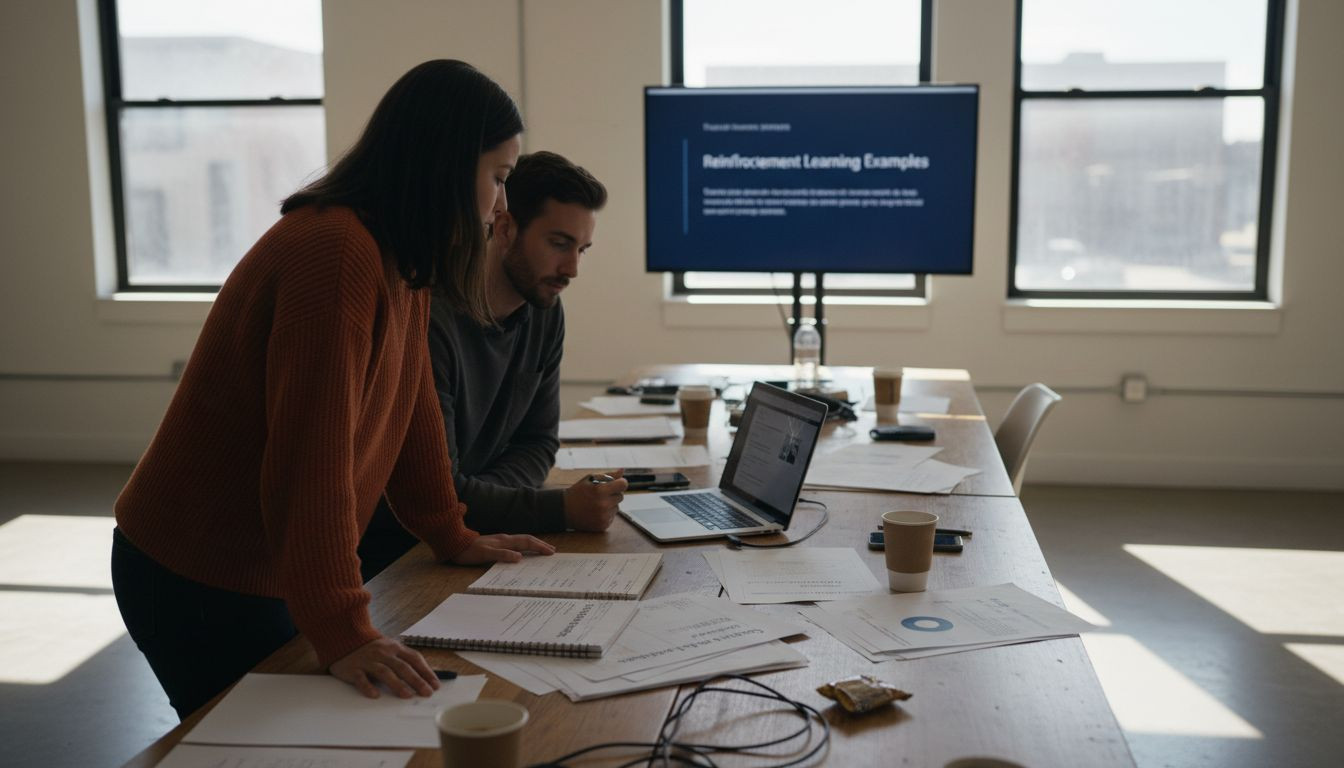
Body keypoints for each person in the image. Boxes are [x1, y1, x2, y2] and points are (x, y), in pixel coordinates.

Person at [110, 59, 554, 721]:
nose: (500, 204)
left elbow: (412, 410)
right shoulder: (335, 251)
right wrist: (342, 629)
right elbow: (308, 461)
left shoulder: (402, 253)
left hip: (261, 563)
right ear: (445, 163)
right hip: (196, 569)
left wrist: (448, 532)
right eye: (498, 176)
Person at [357, 152, 627, 580]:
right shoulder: (429, 319)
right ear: (505, 228)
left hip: (473, 540)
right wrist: (559, 507)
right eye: (559, 244)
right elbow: (436, 493)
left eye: (582, 249)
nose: (572, 269)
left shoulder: (545, 311)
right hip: (397, 560)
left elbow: (537, 444)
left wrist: (478, 493)